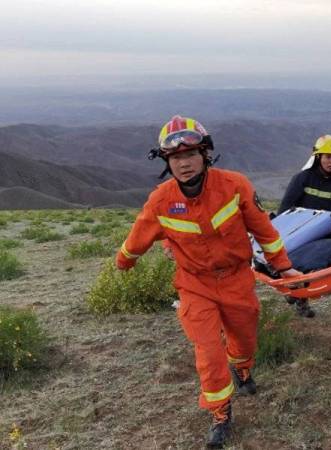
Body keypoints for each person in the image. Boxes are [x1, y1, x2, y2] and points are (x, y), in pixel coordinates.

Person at [115, 115, 301, 448]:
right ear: (166, 162)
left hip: (237, 280)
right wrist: (124, 262)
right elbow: (137, 237)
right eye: (175, 158)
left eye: (190, 155)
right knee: (208, 351)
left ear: (205, 155)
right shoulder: (160, 201)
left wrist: (284, 268)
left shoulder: (235, 185)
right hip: (194, 285)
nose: (183, 163)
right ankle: (220, 411)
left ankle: (242, 369)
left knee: (243, 339)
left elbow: (264, 230)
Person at [277, 134, 331, 318]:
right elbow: (285, 209)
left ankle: (298, 295)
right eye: (328, 157)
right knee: (299, 268)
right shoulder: (302, 179)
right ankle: (298, 298)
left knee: (314, 271)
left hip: (326, 237)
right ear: (318, 157)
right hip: (301, 235)